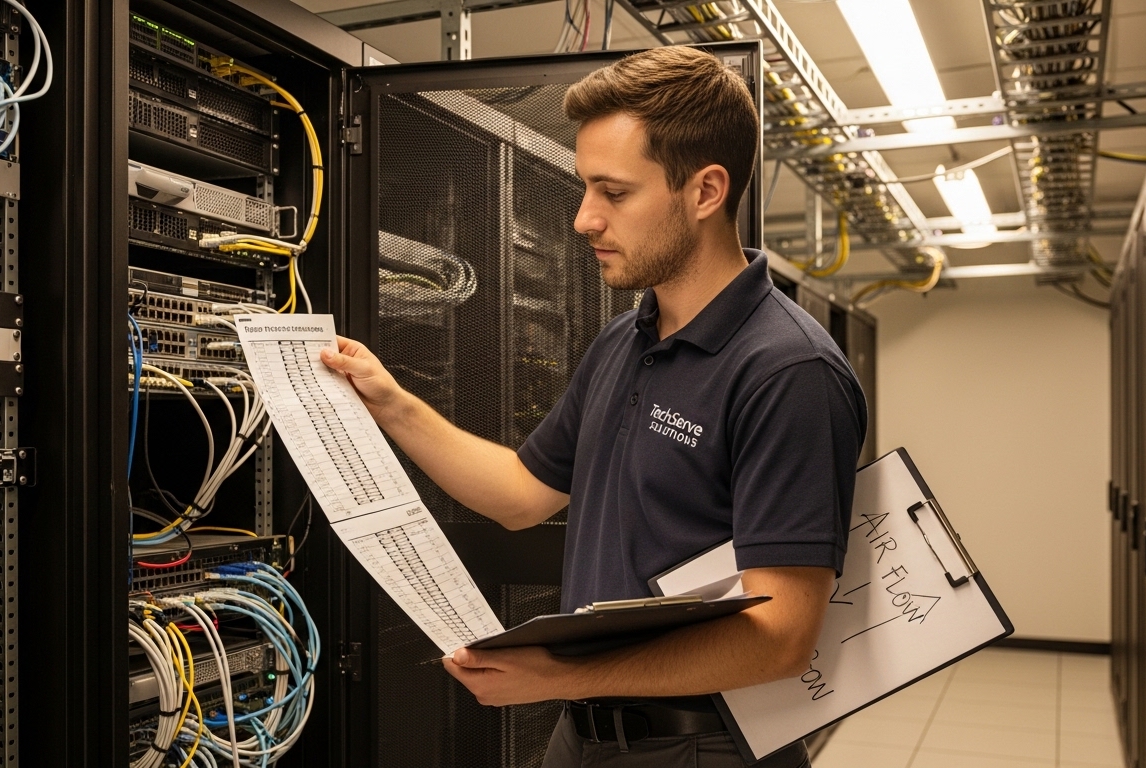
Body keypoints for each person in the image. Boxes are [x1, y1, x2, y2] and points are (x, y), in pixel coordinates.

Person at [320, 45, 866, 768]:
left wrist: (559, 675)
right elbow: (521, 494)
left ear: (705, 192)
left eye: (613, 192)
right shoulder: (623, 341)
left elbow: (782, 637)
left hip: (698, 745)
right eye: (585, 188)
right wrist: (392, 404)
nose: (582, 219)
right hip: (585, 732)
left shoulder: (788, 371)